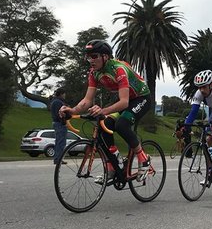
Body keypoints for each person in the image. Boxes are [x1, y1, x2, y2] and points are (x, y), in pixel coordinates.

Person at [59, 40, 152, 182]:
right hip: (125, 100)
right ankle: (113, 167)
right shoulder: (94, 73)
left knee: (122, 124)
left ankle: (143, 159)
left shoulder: (118, 69)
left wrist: (103, 110)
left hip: (141, 98)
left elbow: (124, 102)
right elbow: (87, 100)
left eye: (94, 56)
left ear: (106, 56)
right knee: (104, 125)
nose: (91, 60)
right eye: (88, 57)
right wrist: (72, 110)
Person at [50, 88, 68, 165]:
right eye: (64, 93)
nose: (65, 95)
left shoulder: (54, 101)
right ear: (61, 94)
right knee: (61, 142)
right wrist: (65, 119)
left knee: (58, 141)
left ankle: (58, 158)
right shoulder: (58, 102)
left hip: (56, 123)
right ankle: (58, 158)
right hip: (59, 123)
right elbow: (60, 114)